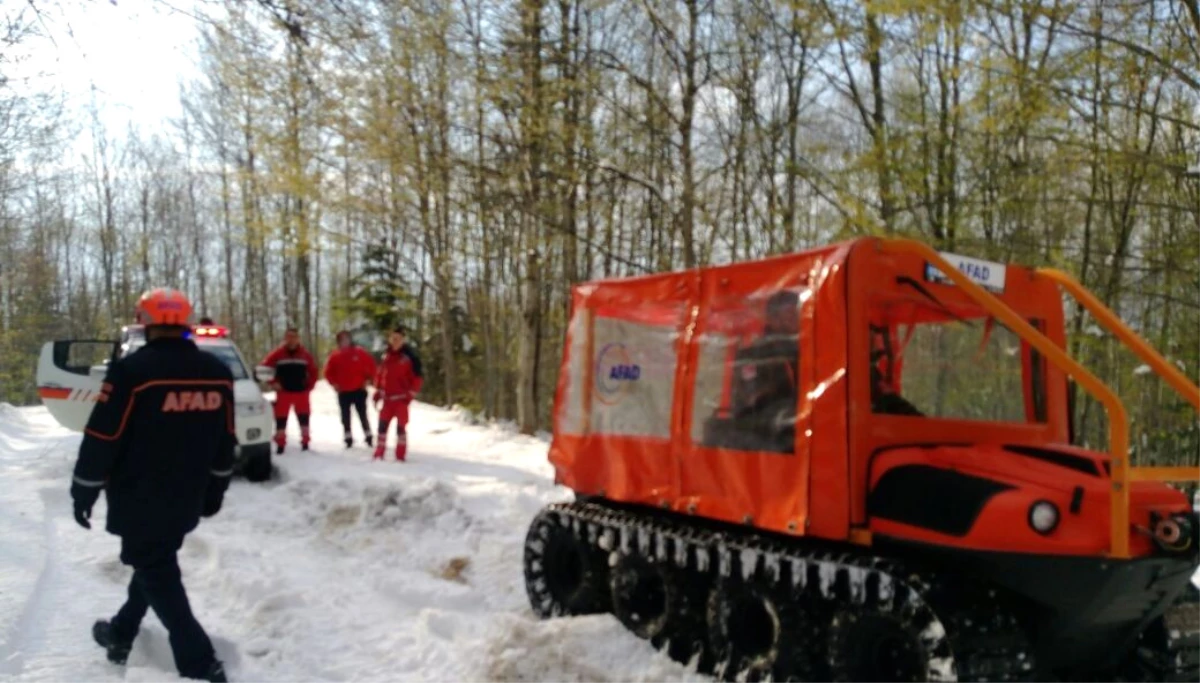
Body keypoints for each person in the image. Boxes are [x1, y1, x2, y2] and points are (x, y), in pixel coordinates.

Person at [72, 288, 233, 683]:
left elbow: (102, 436)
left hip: (138, 495)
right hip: (188, 495)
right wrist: (216, 488)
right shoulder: (217, 373)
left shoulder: (132, 372)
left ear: (144, 321)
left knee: (155, 568)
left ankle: (200, 663)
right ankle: (121, 633)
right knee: (154, 562)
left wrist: (84, 487)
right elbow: (226, 440)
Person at [260, 327, 319, 453]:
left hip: (301, 392)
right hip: (283, 392)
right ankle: (281, 444)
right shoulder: (277, 354)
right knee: (281, 419)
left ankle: (305, 443)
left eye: (294, 337)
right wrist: (273, 382)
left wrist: (310, 386)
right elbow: (264, 369)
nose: (291, 340)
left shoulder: (305, 354)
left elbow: (314, 372)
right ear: (285, 339)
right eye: (289, 337)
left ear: (298, 339)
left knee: (304, 418)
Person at [373, 325, 423, 461]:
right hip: (387, 400)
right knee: (382, 427)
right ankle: (379, 454)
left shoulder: (410, 357)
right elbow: (380, 375)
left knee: (401, 428)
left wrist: (411, 395)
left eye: (398, 339)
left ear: (403, 340)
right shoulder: (385, 355)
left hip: (401, 399)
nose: (395, 341)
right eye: (393, 338)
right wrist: (377, 391)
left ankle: (400, 456)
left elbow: (418, 378)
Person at [324, 329, 377, 448]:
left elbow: (372, 366)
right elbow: (328, 373)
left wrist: (368, 380)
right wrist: (334, 384)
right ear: (338, 342)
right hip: (343, 392)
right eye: (342, 339)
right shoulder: (335, 356)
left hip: (359, 390)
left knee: (362, 414)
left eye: (346, 338)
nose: (345, 341)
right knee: (345, 416)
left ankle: (368, 436)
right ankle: (348, 437)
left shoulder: (360, 352)